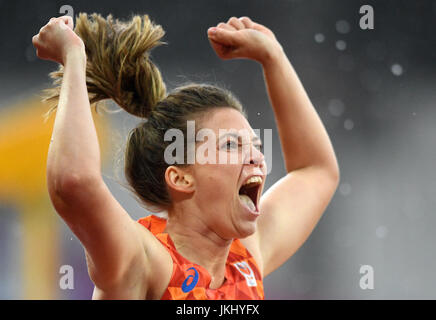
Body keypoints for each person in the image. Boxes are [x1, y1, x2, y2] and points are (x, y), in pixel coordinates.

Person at [32, 13, 340, 300]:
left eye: (256, 145)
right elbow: (73, 182)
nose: (257, 158)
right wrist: (74, 59)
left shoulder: (245, 261)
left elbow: (315, 171)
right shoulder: (144, 260)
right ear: (180, 177)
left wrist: (274, 58)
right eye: (232, 145)